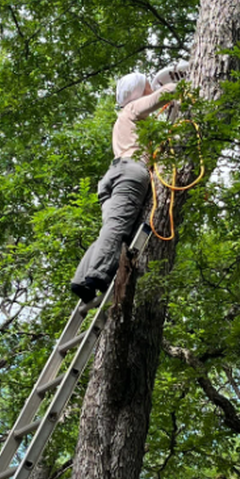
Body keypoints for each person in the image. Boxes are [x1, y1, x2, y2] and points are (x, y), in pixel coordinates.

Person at [69, 70, 180, 304]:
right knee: (117, 227)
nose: (151, 88)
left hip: (113, 176)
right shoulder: (132, 109)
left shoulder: (127, 121)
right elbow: (167, 92)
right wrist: (179, 81)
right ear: (138, 91)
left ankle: (81, 280)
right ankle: (96, 276)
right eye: (147, 85)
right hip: (130, 173)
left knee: (110, 229)